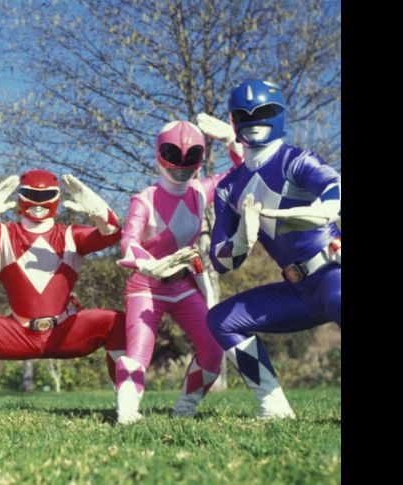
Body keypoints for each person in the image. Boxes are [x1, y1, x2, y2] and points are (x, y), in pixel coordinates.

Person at [0, 169, 126, 420]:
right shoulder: (3, 234)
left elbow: (113, 233)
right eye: (31, 195)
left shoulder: (71, 235)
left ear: (56, 198)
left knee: (116, 321)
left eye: (46, 196)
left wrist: (98, 210)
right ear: (20, 197)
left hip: (64, 332)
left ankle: (127, 404)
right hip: (19, 332)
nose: (38, 203)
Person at [206, 79, 341, 418]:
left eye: (263, 112)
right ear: (234, 120)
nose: (254, 121)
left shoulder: (296, 161)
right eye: (244, 115)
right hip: (297, 290)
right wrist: (241, 241)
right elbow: (219, 260)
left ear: (278, 113)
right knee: (222, 320)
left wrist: (319, 211)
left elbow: (333, 186)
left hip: (332, 274)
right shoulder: (228, 188)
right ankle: (273, 407)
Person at [114, 119, 243, 424]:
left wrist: (232, 141)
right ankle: (127, 413)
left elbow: (242, 172)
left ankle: (185, 409)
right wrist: (147, 264)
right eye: (173, 154)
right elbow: (128, 242)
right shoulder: (145, 200)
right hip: (146, 285)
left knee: (213, 349)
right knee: (139, 351)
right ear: (160, 154)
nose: (181, 165)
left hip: (184, 286)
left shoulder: (199, 191)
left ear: (200, 157)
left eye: (191, 156)